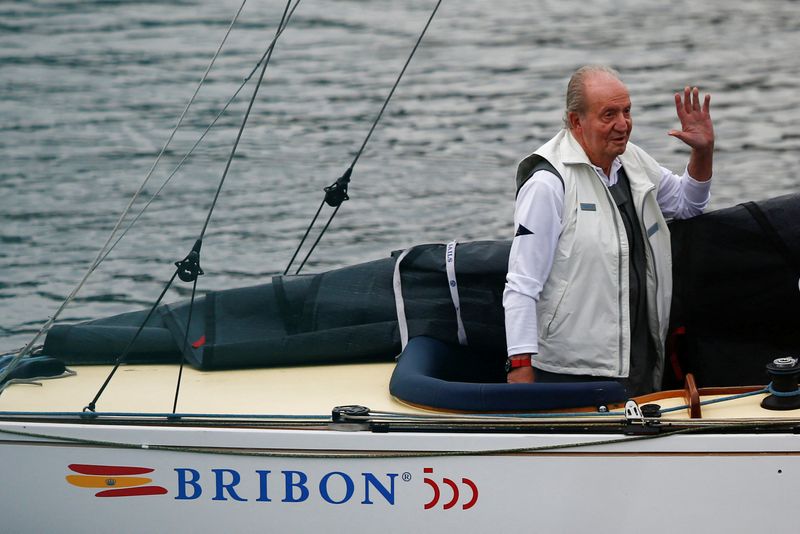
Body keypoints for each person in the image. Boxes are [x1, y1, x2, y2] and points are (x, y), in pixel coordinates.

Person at [503, 65, 714, 395]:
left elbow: (689, 203)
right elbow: (521, 283)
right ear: (576, 121)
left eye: (627, 111)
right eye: (608, 115)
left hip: (639, 360)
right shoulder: (546, 182)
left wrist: (702, 152)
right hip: (571, 372)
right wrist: (519, 369)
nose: (623, 125)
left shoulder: (632, 161)